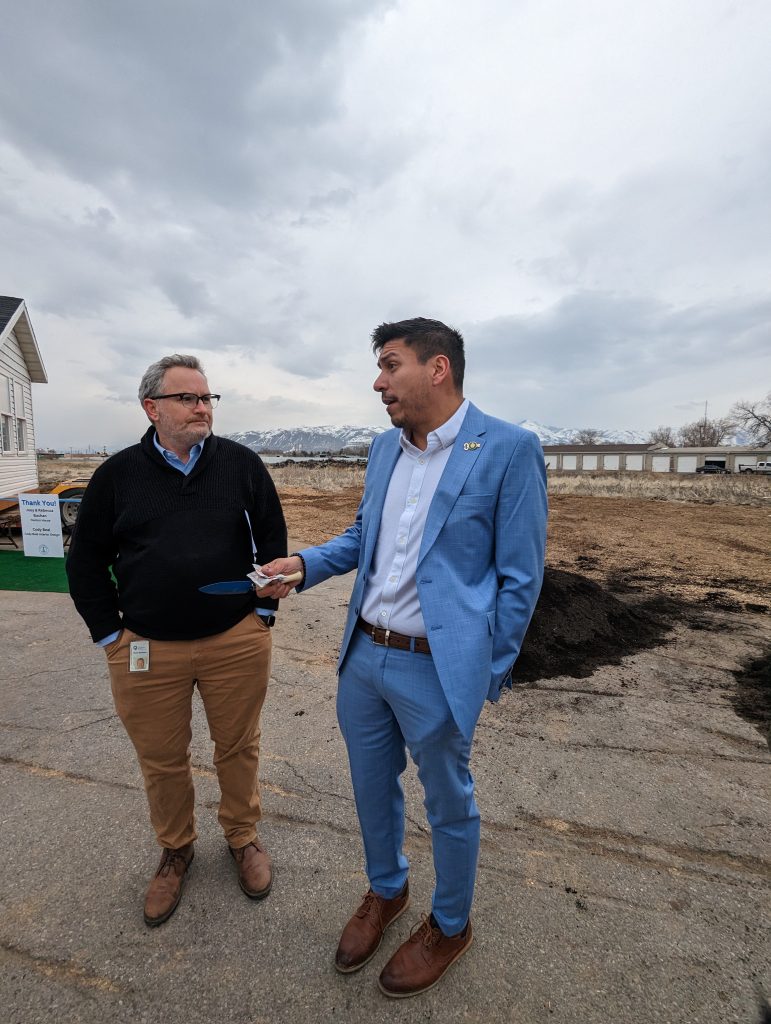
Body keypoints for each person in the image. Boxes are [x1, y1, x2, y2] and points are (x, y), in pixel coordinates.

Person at [260, 317, 547, 997]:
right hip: (364, 655)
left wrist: (485, 669)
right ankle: (386, 891)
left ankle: (449, 924)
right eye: (379, 368)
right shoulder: (385, 450)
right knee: (369, 787)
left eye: (390, 366)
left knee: (448, 802)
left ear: (438, 367)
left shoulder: (507, 448)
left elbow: (520, 577)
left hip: (436, 667)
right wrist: (304, 564)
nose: (378, 381)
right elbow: (366, 535)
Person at [66, 354, 287, 926]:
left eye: (207, 398)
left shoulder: (241, 465)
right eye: (188, 398)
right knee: (162, 759)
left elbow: (272, 543)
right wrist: (111, 634)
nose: (202, 408)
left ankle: (242, 837)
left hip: (234, 640)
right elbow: (85, 560)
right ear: (152, 408)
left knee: (238, 746)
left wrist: (260, 619)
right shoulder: (117, 477)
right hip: (145, 648)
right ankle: (176, 849)